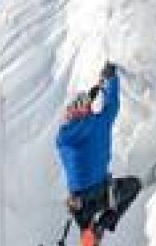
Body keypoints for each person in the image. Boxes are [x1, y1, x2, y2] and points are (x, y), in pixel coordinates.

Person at [55, 62, 141, 232]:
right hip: (103, 193)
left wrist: (85, 104)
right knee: (133, 186)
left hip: (80, 201)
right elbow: (112, 105)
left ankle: (88, 229)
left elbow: (75, 126)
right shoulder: (101, 121)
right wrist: (111, 79)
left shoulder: (64, 137)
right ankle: (103, 225)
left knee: (84, 224)